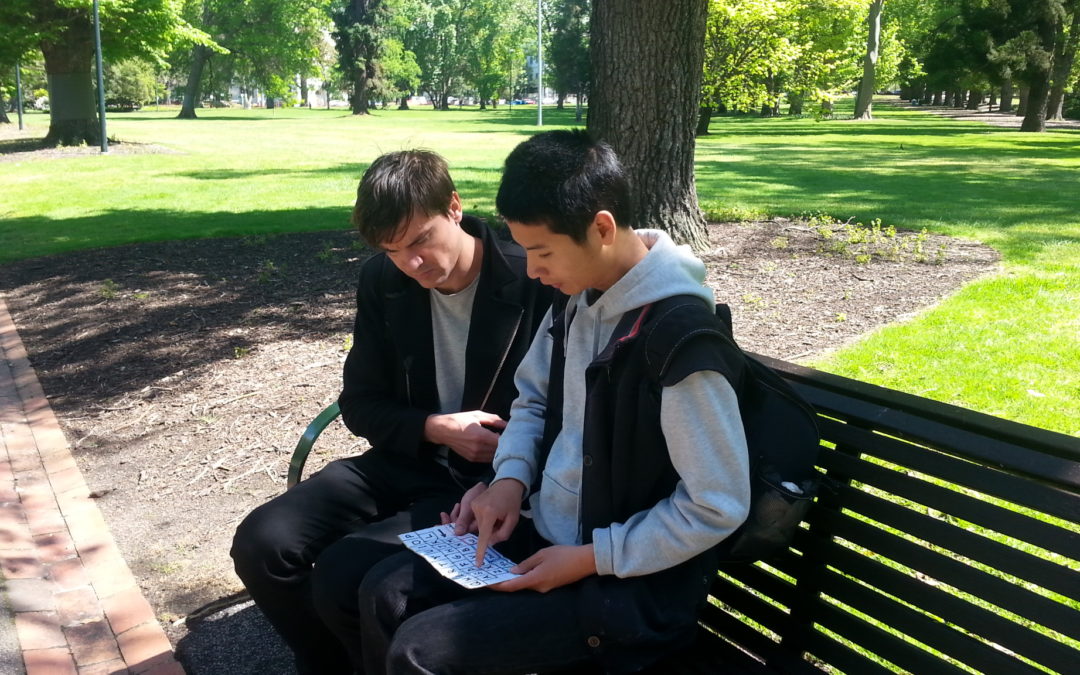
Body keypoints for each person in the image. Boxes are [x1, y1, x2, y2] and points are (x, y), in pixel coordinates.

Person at [354, 130, 752, 674]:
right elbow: (533, 401)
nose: (533, 270)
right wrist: (507, 482)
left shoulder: (680, 343)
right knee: (385, 595)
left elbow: (717, 504)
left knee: (421, 654)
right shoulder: (578, 300)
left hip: (628, 584)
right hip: (549, 534)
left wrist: (592, 558)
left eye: (542, 251)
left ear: (602, 228)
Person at [230, 149, 552, 675]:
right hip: (408, 457)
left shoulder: (533, 278)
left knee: (346, 570)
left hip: (487, 486)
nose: (412, 263)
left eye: (420, 240)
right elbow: (360, 403)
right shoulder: (384, 280)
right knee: (263, 543)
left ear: (453, 207)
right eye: (393, 250)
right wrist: (433, 428)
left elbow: (562, 410)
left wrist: (505, 470)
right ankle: (332, 664)